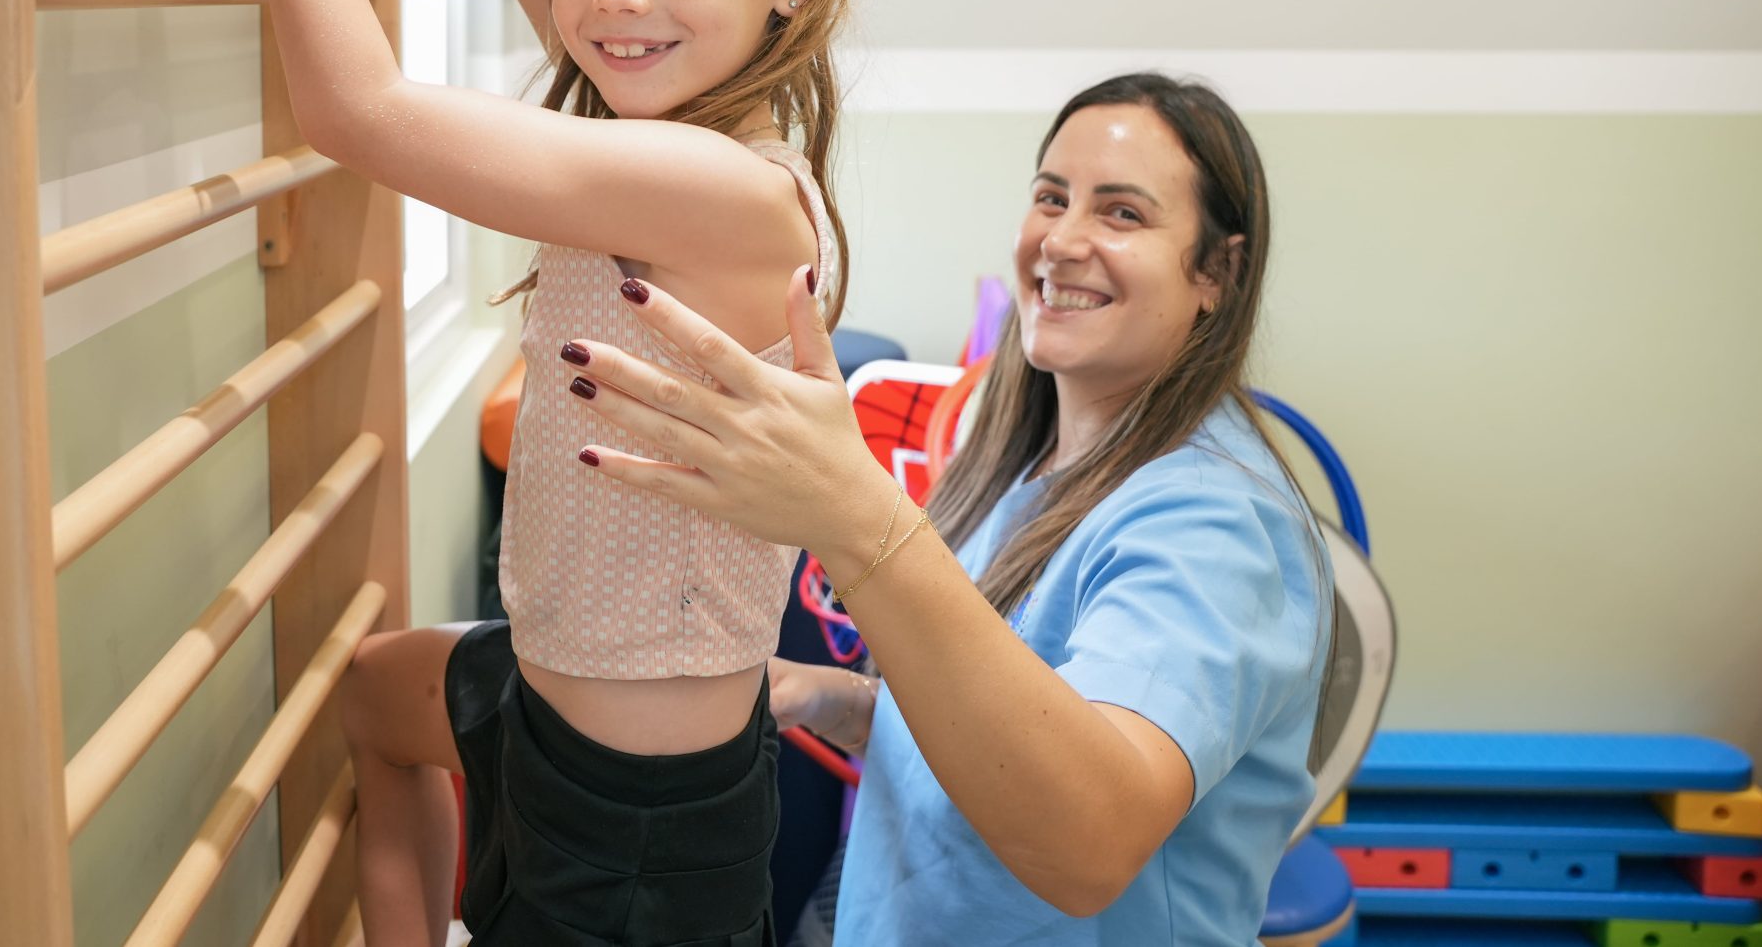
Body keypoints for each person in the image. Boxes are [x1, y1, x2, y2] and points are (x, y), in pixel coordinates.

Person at [167, 0, 862, 947]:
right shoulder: (654, 113)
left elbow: (357, 109)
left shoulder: (722, 185)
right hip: (558, 691)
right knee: (377, 689)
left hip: (641, 816)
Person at [559, 73, 1329, 945]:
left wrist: (856, 518)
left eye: (1122, 214)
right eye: (1051, 197)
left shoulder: (1214, 528)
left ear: (1217, 272)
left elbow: (1086, 841)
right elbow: (1001, 718)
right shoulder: (1024, 459)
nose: (1062, 240)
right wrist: (841, 702)